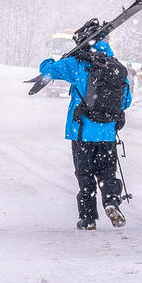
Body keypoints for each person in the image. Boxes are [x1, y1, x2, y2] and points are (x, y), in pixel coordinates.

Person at [39, 34, 131, 229]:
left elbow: (48, 71)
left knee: (85, 175)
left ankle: (88, 219)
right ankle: (112, 202)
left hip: (82, 132)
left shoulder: (76, 64)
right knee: (107, 173)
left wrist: (51, 60)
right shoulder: (116, 67)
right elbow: (126, 101)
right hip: (107, 134)